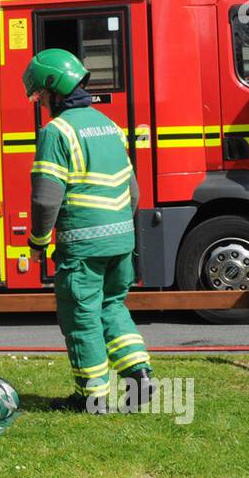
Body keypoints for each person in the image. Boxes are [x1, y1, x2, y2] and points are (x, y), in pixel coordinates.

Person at [25, 48, 153, 413]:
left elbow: (47, 199)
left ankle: (92, 397)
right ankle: (138, 374)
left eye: (41, 94)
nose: (41, 102)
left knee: (80, 316)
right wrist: (120, 232)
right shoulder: (109, 126)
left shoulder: (57, 131)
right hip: (121, 240)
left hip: (83, 245)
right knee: (112, 307)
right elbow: (134, 192)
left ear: (54, 88)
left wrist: (38, 242)